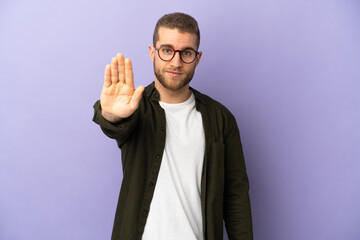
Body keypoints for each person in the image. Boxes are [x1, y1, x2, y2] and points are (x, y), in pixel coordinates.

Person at [93, 12, 253, 240]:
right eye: (167, 50)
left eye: (186, 53)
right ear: (152, 53)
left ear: (197, 58)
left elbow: (236, 194)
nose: (176, 62)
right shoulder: (134, 107)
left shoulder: (221, 118)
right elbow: (115, 125)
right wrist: (111, 116)